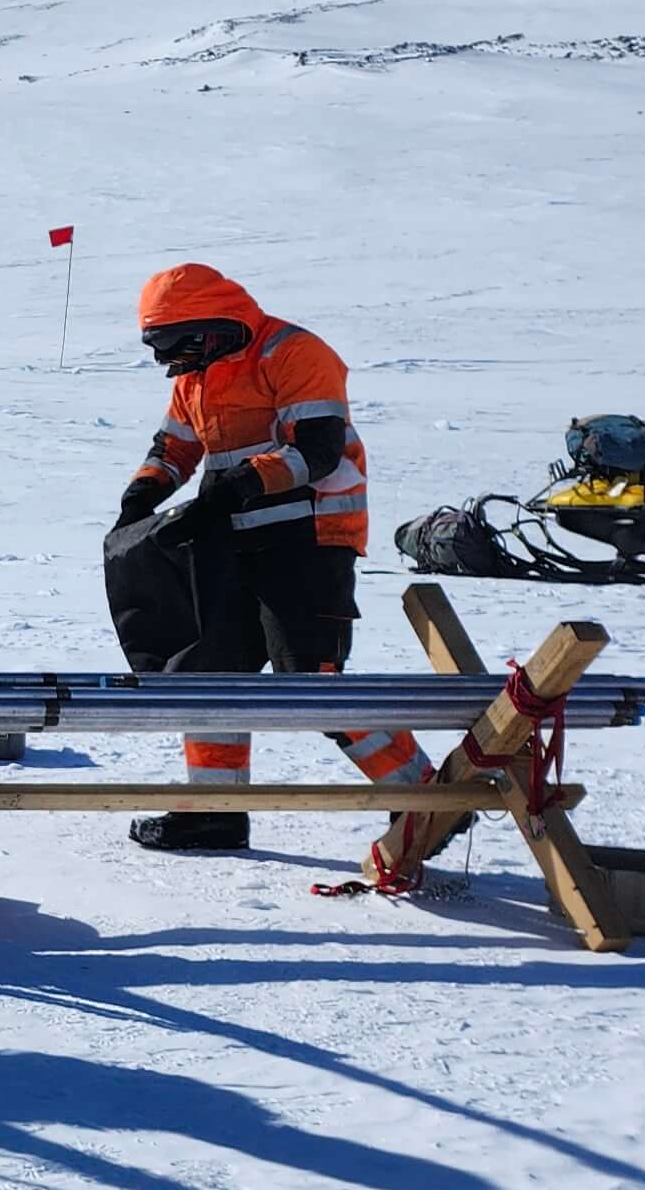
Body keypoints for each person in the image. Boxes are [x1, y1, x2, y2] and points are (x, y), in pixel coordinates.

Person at [110, 265, 425, 853]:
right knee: (207, 677)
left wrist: (234, 489)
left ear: (212, 326)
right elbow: (174, 446)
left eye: (172, 345)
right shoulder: (196, 375)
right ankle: (216, 813)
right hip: (232, 543)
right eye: (158, 347)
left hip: (309, 540)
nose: (166, 360)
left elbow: (318, 451)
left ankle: (427, 795)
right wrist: (142, 494)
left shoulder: (294, 353)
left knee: (311, 683)